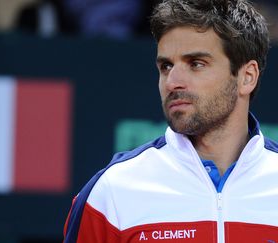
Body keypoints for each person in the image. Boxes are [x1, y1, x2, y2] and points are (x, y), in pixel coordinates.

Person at [63, 0, 278, 242]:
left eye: (196, 64)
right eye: (166, 66)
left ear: (247, 77)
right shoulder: (112, 190)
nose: (172, 81)